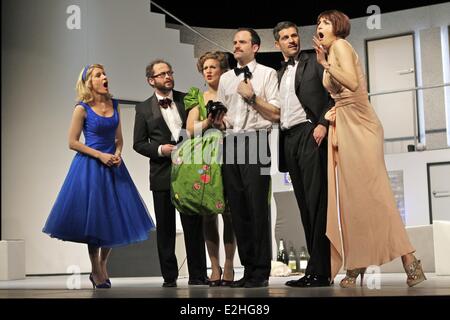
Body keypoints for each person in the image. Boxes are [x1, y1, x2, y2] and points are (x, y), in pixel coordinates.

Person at [313, 10, 426, 287]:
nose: (320, 27)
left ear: (337, 26)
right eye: (318, 23)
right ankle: (357, 261)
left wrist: (326, 64)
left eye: (325, 22)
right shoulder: (331, 52)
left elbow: (351, 83)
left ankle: (410, 261)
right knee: (353, 199)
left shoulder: (340, 46)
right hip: (346, 125)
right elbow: (338, 93)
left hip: (362, 126)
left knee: (376, 195)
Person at [43, 64, 155, 289]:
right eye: (98, 75)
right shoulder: (82, 108)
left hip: (113, 166)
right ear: (89, 82)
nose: (104, 77)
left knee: (113, 218)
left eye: (104, 74)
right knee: (95, 218)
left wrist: (117, 154)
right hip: (90, 167)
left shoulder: (114, 105)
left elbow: (119, 139)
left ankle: (103, 264)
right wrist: (100, 156)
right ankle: (95, 267)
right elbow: (72, 142)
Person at [133, 59, 208, 288]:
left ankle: (198, 275)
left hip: (189, 172)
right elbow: (138, 143)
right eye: (162, 74)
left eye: (170, 72)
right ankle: (169, 277)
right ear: (151, 80)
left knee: (193, 226)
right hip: (162, 173)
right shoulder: (143, 108)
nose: (168, 76)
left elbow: (199, 132)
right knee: (165, 229)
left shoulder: (188, 99)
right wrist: (160, 150)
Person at [217, 28, 280, 288]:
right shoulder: (224, 79)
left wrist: (252, 97)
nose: (236, 46)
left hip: (256, 140)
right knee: (238, 210)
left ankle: (261, 271)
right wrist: (218, 120)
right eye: (234, 42)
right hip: (230, 142)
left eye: (242, 42)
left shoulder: (267, 74)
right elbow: (223, 114)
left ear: (255, 47)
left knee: (257, 207)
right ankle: (248, 269)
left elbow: (276, 113)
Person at [273, 21, 334, 287]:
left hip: (310, 134)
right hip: (288, 139)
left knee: (317, 203)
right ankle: (314, 269)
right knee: (304, 207)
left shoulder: (314, 61)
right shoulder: (278, 73)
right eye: (285, 37)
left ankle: (321, 272)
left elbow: (334, 92)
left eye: (294, 35)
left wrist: (323, 122)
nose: (291, 40)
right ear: (277, 44)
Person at [179, 51, 237, 287]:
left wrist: (224, 123)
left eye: (213, 67)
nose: (209, 71)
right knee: (208, 215)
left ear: (222, 70)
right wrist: (208, 122)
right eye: (205, 68)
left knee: (230, 214)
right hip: (204, 158)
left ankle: (231, 264)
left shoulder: (232, 94)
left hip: (230, 154)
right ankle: (214, 266)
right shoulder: (198, 97)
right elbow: (189, 129)